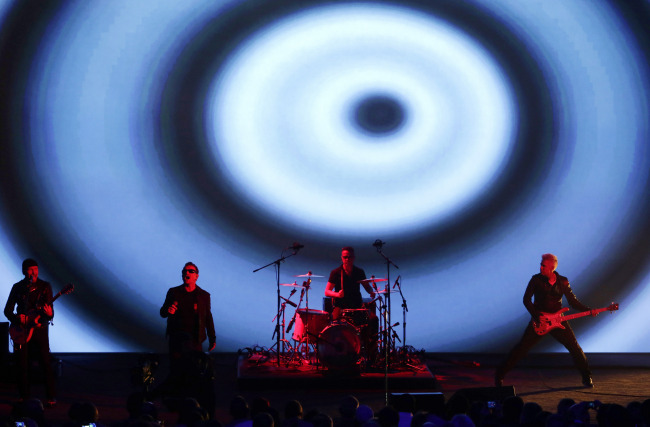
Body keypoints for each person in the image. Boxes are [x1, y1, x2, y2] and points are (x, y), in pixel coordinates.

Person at [495, 253, 597, 388]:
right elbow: (526, 300)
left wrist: (588, 310)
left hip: (558, 321)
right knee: (521, 349)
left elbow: (573, 302)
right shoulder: (536, 280)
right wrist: (537, 316)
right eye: (541, 264)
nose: (541, 267)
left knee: (575, 348)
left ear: (551, 268)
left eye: (544, 266)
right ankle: (500, 375)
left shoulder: (563, 281)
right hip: (539, 321)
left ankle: (587, 377)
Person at [3, 258, 57, 405]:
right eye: (30, 269)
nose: (34, 272)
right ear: (24, 271)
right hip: (21, 330)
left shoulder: (45, 286)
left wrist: (49, 313)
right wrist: (17, 319)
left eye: (36, 269)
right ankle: (24, 396)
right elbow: (7, 310)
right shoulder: (17, 287)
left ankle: (51, 397)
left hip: (39, 330)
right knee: (21, 363)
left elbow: (51, 313)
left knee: (45, 362)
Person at [159, 262, 216, 383]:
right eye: (184, 271)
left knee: (195, 368)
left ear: (197, 276)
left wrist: (212, 338)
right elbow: (162, 312)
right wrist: (168, 310)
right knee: (176, 369)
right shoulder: (174, 292)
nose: (187, 273)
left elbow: (208, 318)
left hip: (195, 339)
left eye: (191, 271)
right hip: (177, 338)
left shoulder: (203, 296)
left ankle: (193, 396)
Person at [325, 247, 378, 363]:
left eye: (349, 257)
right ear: (341, 258)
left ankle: (371, 355)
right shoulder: (336, 272)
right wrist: (337, 294)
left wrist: (372, 292)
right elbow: (327, 291)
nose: (347, 259)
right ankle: (336, 353)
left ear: (353, 258)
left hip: (357, 307)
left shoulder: (359, 272)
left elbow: (367, 287)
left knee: (373, 320)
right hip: (341, 306)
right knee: (334, 323)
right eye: (345, 257)